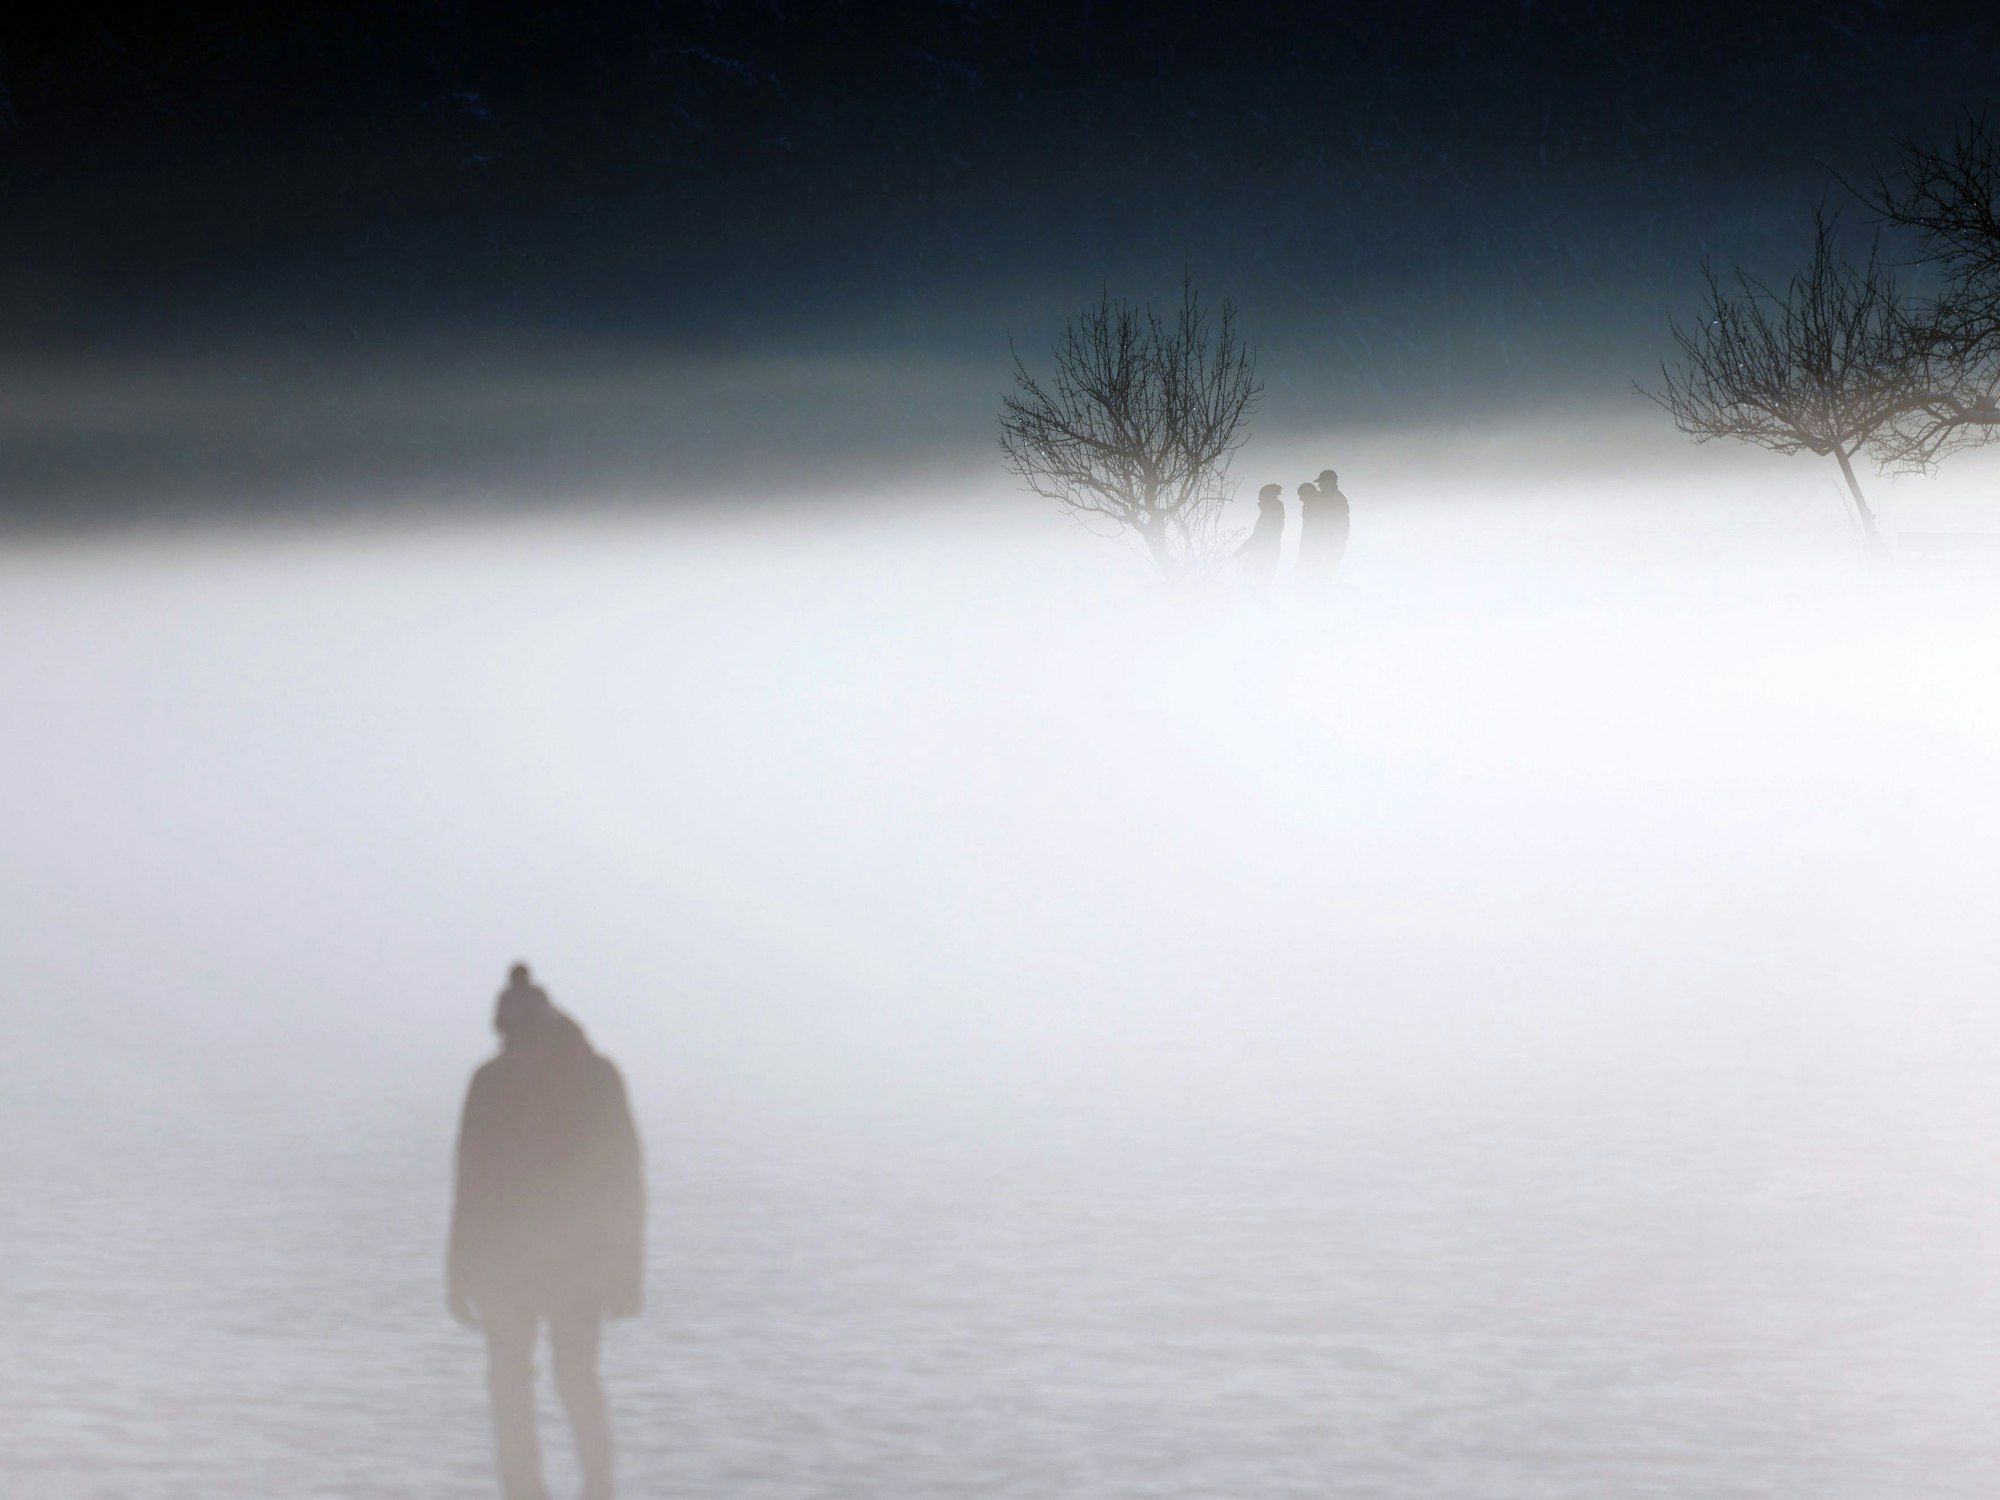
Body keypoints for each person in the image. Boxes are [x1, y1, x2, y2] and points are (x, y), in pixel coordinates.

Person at [449, 963, 645, 1500]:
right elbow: (469, 1183)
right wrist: (459, 1272)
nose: (514, 1046)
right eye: (508, 1037)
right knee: (527, 1384)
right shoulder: (583, 1077)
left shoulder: (574, 1078)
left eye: (518, 1035)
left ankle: (594, 1491)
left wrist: (627, 1272)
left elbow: (622, 1179)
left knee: (562, 1381)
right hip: (526, 1265)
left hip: (559, 1263)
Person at [1299, 468, 1351, 583]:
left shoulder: (1336, 500)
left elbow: (1339, 524)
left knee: (1326, 576)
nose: (1320, 486)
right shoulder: (1323, 497)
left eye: (1321, 483)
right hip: (1323, 544)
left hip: (1330, 544)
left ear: (1330, 482)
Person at [1235, 483, 1287, 585]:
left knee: (1257, 586)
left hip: (1263, 559)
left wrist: (1241, 550)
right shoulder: (1271, 513)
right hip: (1265, 557)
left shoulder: (1270, 515)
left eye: (1262, 497)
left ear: (1269, 498)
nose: (1259, 500)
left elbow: (1258, 537)